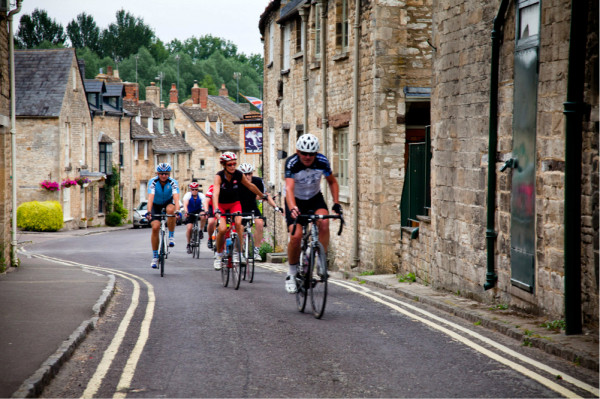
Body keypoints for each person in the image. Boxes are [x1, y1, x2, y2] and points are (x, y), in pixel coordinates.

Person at [284, 133, 342, 293]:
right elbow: (288, 188)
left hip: (314, 197)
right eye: (304, 153)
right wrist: (293, 207)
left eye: (311, 154)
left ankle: (320, 261)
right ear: (297, 151)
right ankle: (292, 273)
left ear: (316, 153)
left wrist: (336, 203)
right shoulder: (292, 163)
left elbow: (332, 182)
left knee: (324, 222)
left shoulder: (322, 161)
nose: (307, 157)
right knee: (295, 236)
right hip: (295, 199)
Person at [212, 152, 267, 270]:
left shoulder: (238, 174)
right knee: (222, 229)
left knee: (239, 224)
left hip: (234, 204)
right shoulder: (219, 176)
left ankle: (240, 253)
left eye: (234, 164)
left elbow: (250, 186)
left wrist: (262, 195)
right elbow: (215, 192)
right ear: (224, 165)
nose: (232, 166)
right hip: (221, 205)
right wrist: (216, 208)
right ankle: (218, 255)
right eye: (229, 164)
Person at [237, 162, 282, 261]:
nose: (248, 176)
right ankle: (239, 252)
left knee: (260, 223)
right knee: (239, 227)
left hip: (252, 206)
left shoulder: (257, 181)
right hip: (239, 207)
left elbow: (265, 195)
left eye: (250, 173)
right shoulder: (237, 182)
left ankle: (256, 251)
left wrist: (275, 207)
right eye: (245, 174)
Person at [146, 163, 180, 268]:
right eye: (161, 174)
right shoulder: (153, 182)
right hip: (155, 204)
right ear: (158, 174)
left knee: (171, 210)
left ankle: (171, 236)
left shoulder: (173, 182)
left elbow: (176, 197)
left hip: (168, 202)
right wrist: (148, 211)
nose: (164, 176)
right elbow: (150, 197)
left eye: (166, 173)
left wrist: (178, 210)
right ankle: (155, 256)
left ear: (169, 174)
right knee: (155, 227)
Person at [183, 182, 205, 254]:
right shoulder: (187, 195)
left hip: (199, 210)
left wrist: (206, 211)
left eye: (196, 189)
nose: (194, 191)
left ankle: (201, 230)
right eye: (193, 189)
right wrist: (186, 212)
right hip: (190, 212)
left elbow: (204, 204)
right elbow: (185, 204)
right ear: (190, 190)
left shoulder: (201, 195)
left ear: (198, 190)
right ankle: (188, 244)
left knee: (203, 215)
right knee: (189, 228)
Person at [204, 184, 216, 249]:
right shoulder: (212, 187)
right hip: (211, 206)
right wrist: (206, 210)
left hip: (221, 205)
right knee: (211, 222)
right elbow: (206, 200)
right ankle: (210, 238)